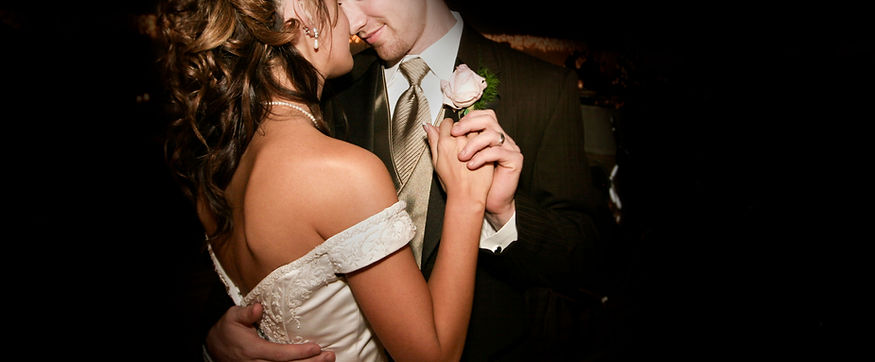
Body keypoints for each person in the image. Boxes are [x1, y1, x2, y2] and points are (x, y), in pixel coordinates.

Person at [203, 0, 608, 360]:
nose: (352, 20)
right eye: (338, 1)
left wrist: (504, 213)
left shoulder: (542, 88)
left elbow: (586, 260)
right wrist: (220, 338)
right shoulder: (326, 88)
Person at [157, 0, 497, 361]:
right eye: (336, 1)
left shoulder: (214, 175)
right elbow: (434, 356)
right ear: (302, 16)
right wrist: (466, 199)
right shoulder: (341, 172)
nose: (350, 17)